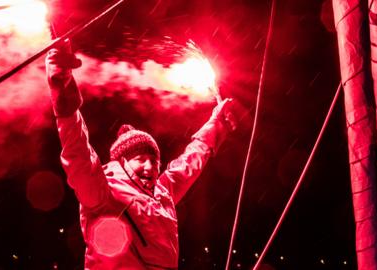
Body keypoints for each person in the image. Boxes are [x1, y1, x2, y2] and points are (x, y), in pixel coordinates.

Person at [46, 39, 236, 270]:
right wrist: (63, 94)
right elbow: (78, 154)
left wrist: (217, 125)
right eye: (140, 159)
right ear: (123, 162)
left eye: (154, 160)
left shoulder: (163, 193)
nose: (149, 167)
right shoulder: (104, 192)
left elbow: (189, 163)